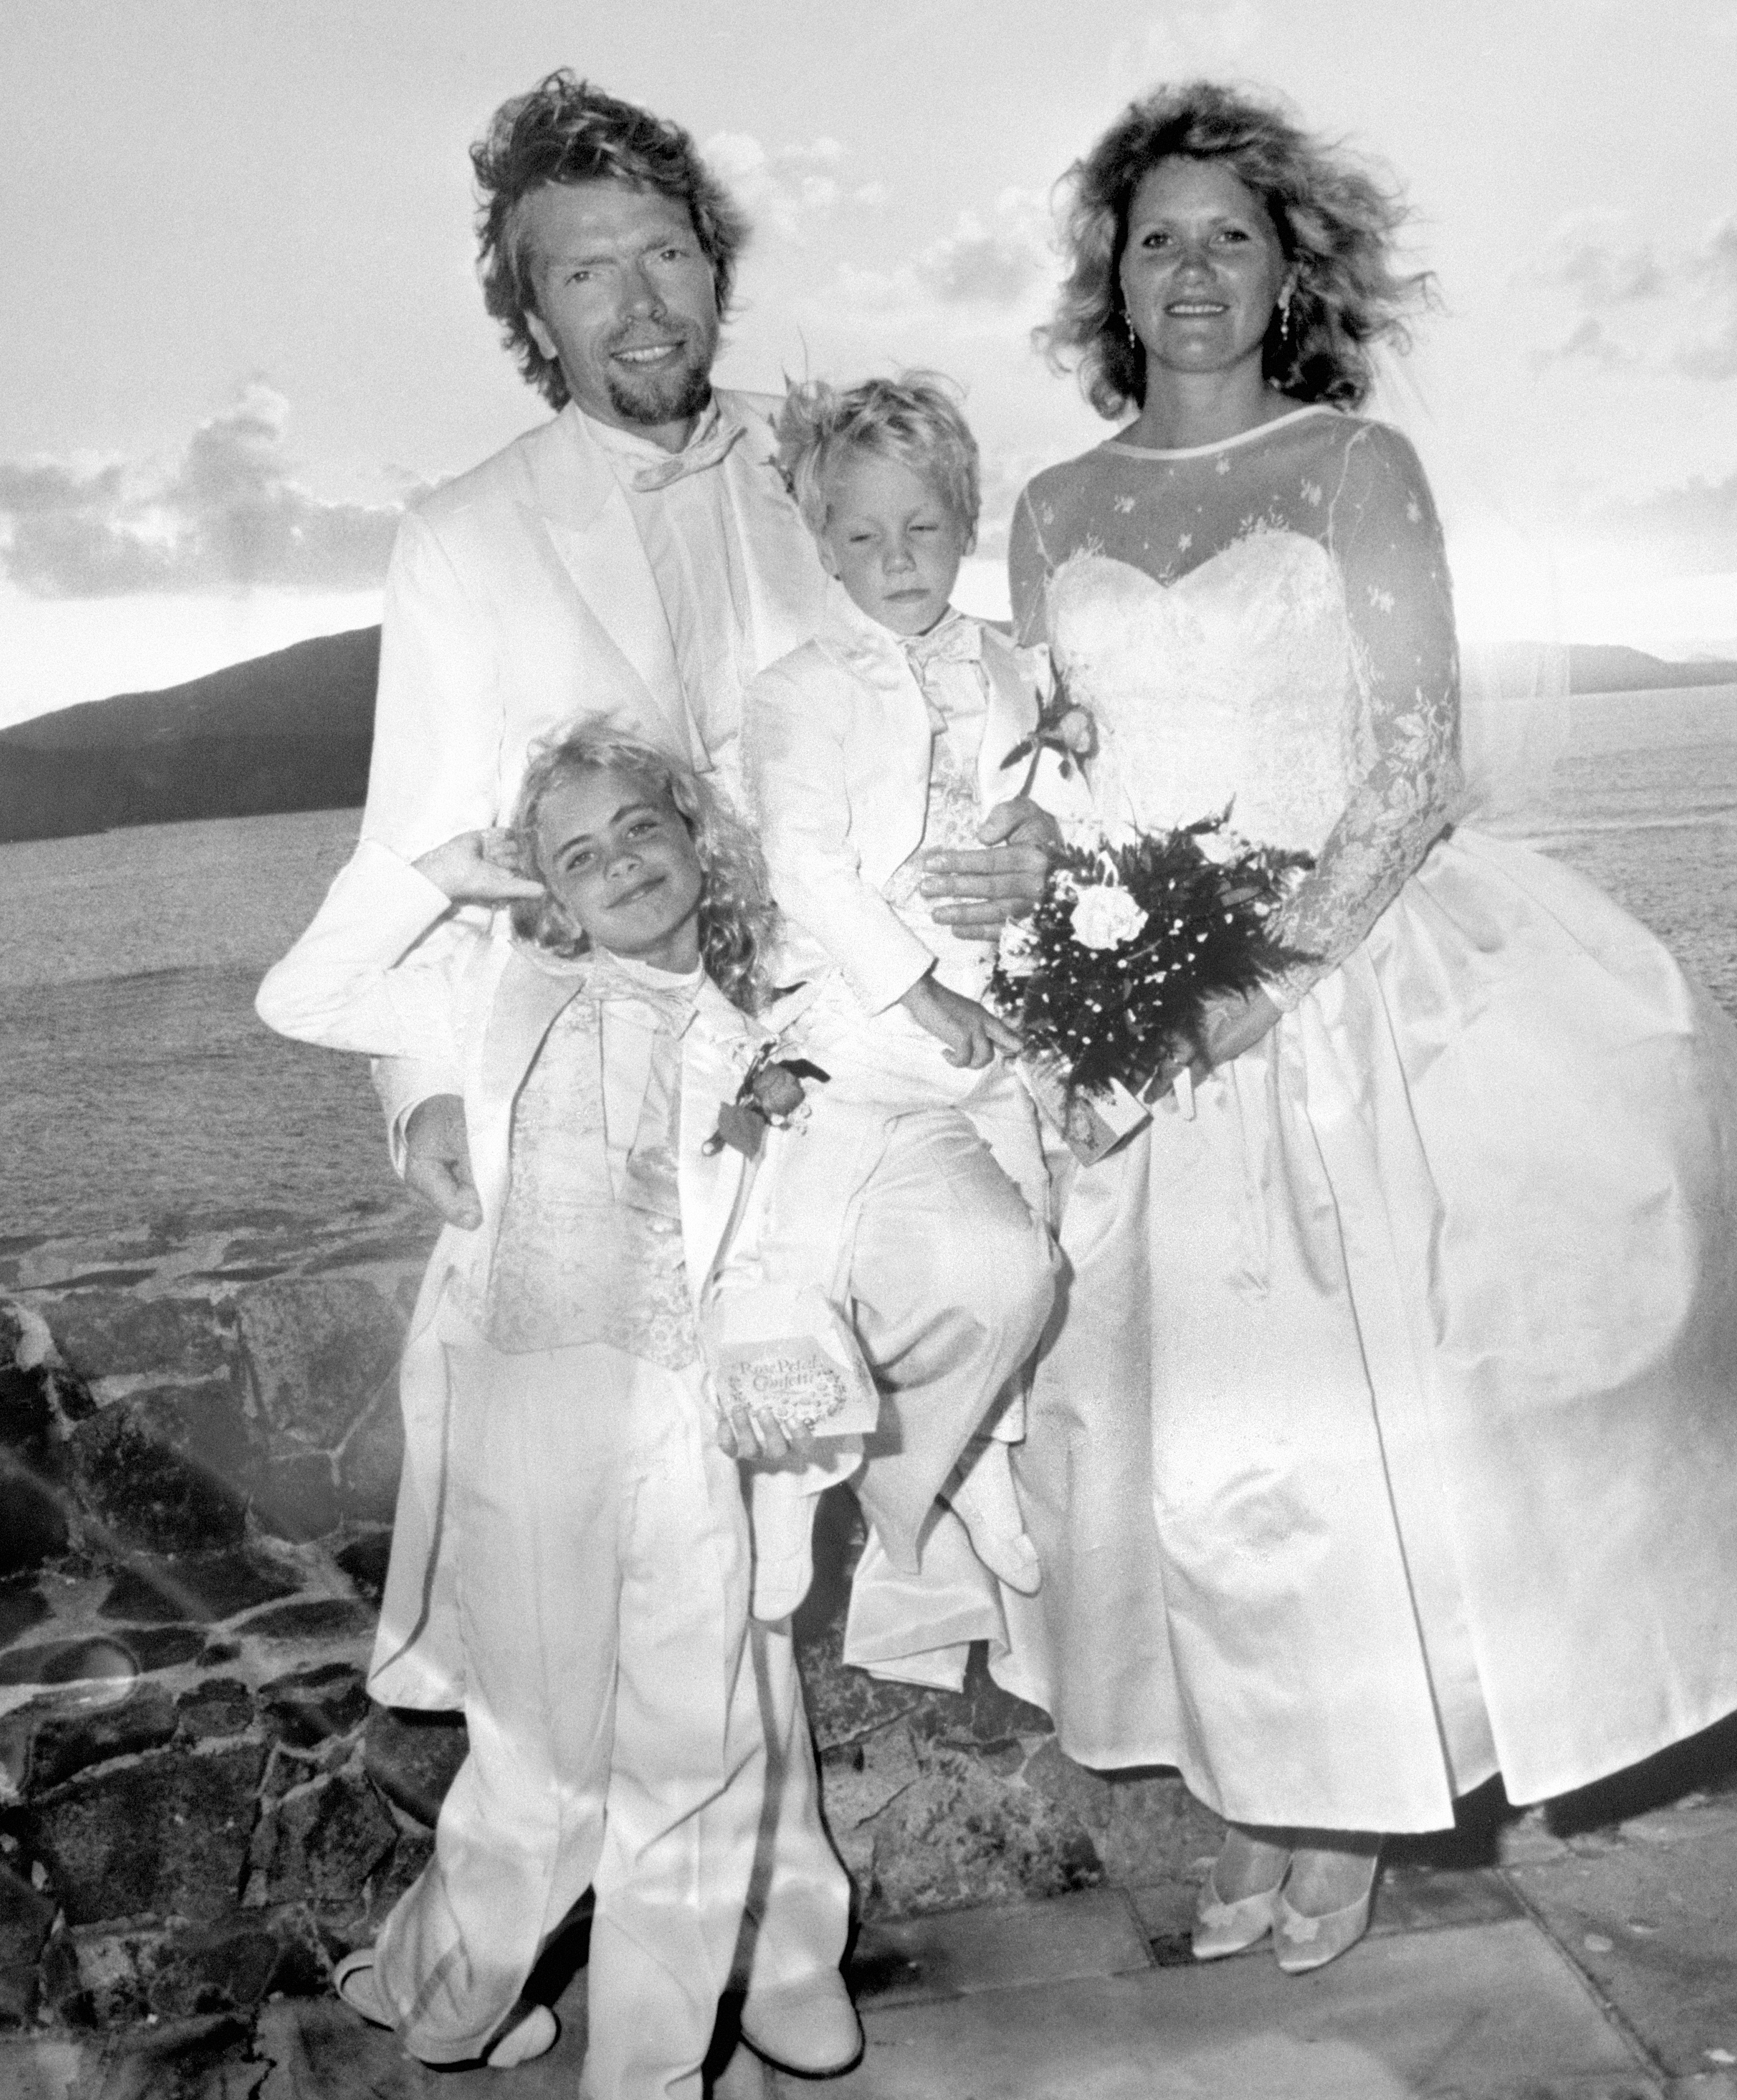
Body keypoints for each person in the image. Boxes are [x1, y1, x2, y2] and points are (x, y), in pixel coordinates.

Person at [983, 80, 1737, 1976]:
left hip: (1343, 981)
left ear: (1288, 266)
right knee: (1208, 1450)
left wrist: (1259, 978)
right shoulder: (1051, 509)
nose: (1193, 269)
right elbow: (1043, 779)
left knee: (1365, 1437)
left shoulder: (1349, 466)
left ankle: (1352, 1830)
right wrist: (1076, 969)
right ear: (1110, 276)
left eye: (1232, 233)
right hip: (1144, 1015)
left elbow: (1409, 757)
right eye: (1158, 237)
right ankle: (1267, 1801)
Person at [329, 71, 1049, 2074]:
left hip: (833, 1058)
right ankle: (746, 1941)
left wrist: (1006, 863)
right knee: (660, 1562)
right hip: (609, 1096)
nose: (638, 302)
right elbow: (410, 837)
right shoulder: (463, 534)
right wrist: (428, 1095)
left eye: (665, 254)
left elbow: (926, 700)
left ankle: (889, 1613)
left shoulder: (812, 476)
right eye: (586, 271)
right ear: (529, 307)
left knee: (969, 1306)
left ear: (714, 263)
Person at [258, 727, 847, 2094]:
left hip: (688, 1438)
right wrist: (437, 873)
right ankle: (448, 2011)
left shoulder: (780, 1017)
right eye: (578, 856)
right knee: (538, 1784)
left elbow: (801, 1233)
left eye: (643, 828)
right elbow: (306, 996)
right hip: (529, 1429)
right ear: (551, 895)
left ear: (696, 833)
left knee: (683, 1783)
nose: (622, 865)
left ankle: (645, 2078)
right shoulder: (495, 981)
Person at [743, 375, 1092, 1662]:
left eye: (924, 531)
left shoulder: (1018, 665)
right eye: (862, 538)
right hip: (859, 1019)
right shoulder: (798, 688)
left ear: (965, 518)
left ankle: (965, 1461)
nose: (896, 562)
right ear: (822, 540)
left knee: (1026, 1251)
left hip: (992, 1024)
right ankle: (793, 1482)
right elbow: (805, 862)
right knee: (803, 1253)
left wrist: (1044, 832)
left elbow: (1066, 806)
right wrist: (916, 986)